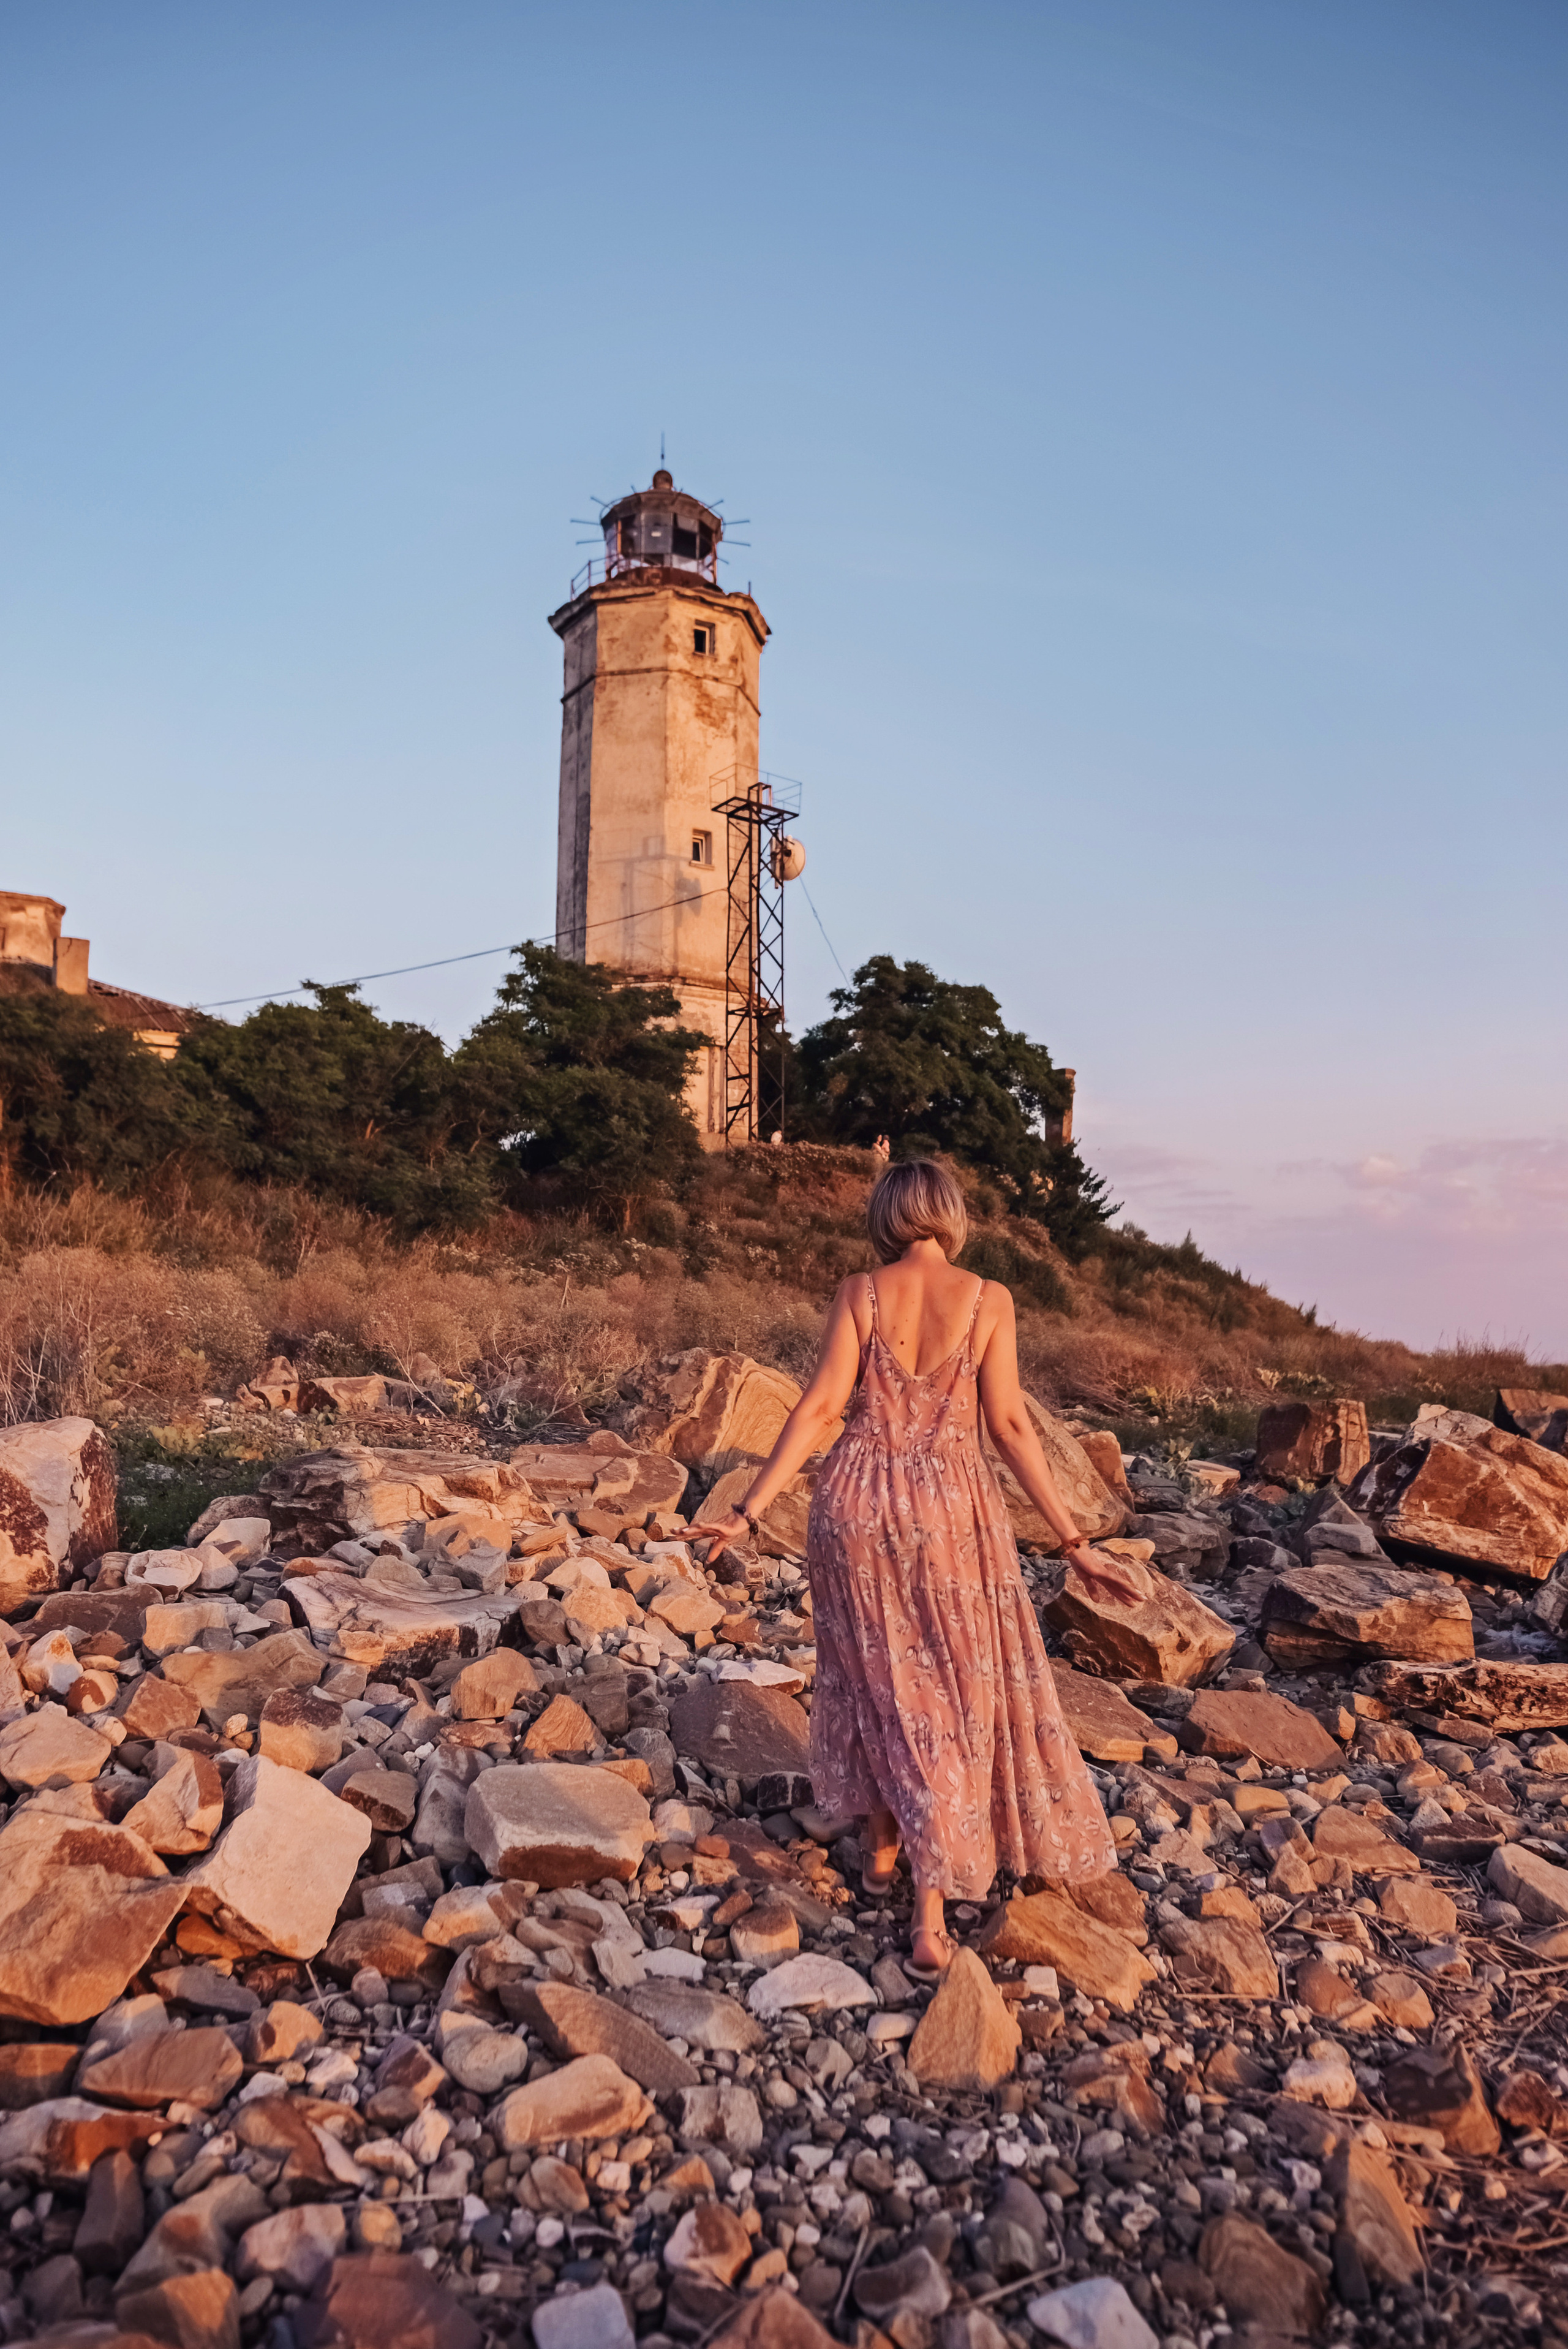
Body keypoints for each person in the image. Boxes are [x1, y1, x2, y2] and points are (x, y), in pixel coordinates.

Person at [695, 1157, 1139, 1979]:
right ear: (952, 1215)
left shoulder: (861, 1293)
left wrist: (748, 1510)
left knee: (877, 1678)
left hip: (856, 1503)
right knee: (945, 1696)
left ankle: (880, 1853)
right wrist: (1074, 1539)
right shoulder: (989, 1298)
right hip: (949, 1512)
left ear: (888, 1215)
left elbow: (820, 1408)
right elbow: (1009, 1424)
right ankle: (929, 1913)